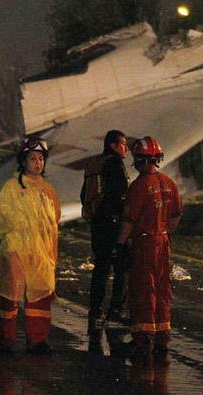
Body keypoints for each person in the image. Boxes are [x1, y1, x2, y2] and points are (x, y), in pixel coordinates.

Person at [0, 137, 61, 354]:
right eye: (32, 158)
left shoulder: (48, 190)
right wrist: (17, 223)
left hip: (41, 252)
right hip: (16, 249)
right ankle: (6, 338)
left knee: (40, 295)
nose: (37, 163)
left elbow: (54, 221)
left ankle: (38, 340)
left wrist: (52, 253)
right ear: (23, 161)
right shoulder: (11, 187)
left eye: (41, 159)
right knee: (11, 294)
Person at [116, 136, 182, 362]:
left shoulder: (139, 186)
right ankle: (162, 338)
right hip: (163, 243)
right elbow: (175, 218)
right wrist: (162, 231)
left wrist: (119, 244)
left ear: (139, 160)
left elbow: (129, 221)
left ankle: (143, 339)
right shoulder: (169, 183)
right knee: (163, 290)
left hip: (145, 244)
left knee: (143, 290)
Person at [81, 129, 130, 330]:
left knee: (101, 268)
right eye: (123, 144)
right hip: (113, 223)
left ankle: (95, 311)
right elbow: (120, 195)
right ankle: (115, 310)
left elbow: (84, 194)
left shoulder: (94, 164)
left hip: (97, 224)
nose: (125, 148)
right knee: (122, 268)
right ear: (113, 145)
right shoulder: (115, 164)